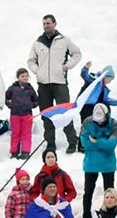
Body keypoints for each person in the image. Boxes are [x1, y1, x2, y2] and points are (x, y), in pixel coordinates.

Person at [27, 14, 83, 153]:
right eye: (44, 24)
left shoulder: (64, 40)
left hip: (60, 83)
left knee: (65, 114)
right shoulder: (37, 43)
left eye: (48, 23)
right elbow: (31, 61)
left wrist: (67, 66)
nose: (46, 26)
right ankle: (50, 143)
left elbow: (77, 54)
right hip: (43, 85)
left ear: (55, 24)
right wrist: (37, 71)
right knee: (46, 115)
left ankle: (72, 142)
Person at [80, 104, 117, 218]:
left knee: (109, 192)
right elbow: (84, 143)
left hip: (107, 164)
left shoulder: (114, 124)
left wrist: (96, 141)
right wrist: (103, 143)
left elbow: (111, 145)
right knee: (88, 192)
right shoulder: (87, 121)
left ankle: (110, 214)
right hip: (91, 163)